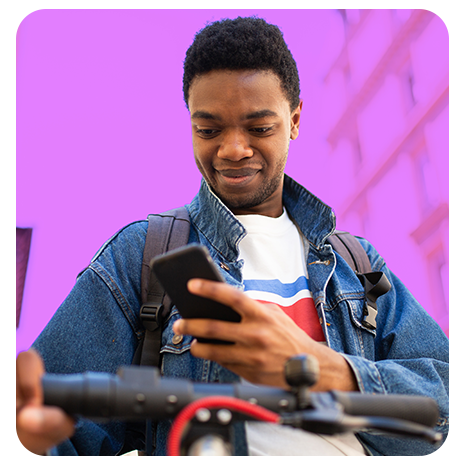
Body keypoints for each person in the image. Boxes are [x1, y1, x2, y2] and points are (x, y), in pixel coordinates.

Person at [16, 16, 449, 456]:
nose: (232, 149)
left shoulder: (356, 264)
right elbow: (52, 428)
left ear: (295, 120)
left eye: (259, 128)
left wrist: (326, 371)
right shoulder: (142, 257)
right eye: (208, 130)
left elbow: (448, 409)